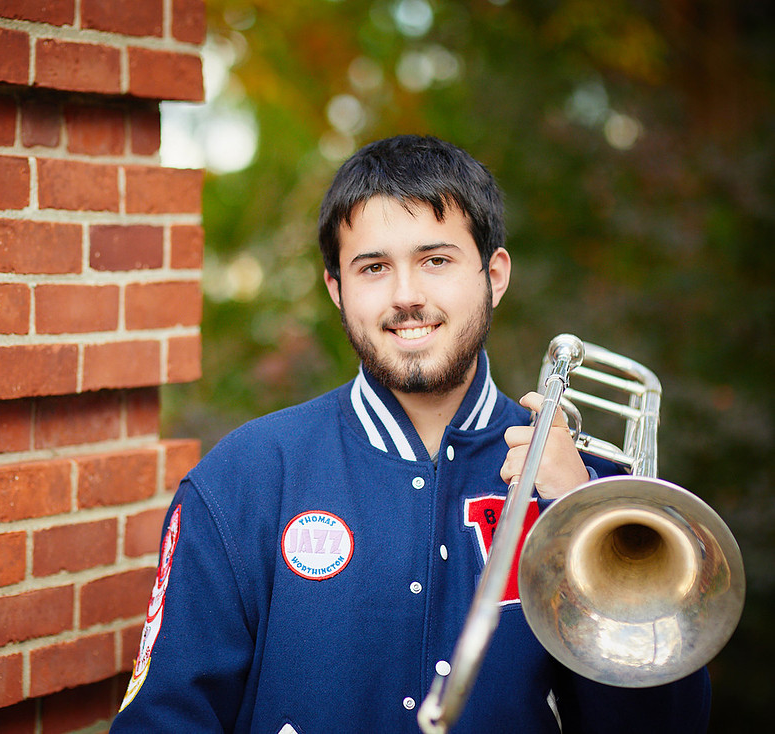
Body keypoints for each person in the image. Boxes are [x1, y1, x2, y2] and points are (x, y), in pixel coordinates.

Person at [110, 135, 711, 733]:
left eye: (436, 260)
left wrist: (582, 522)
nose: (406, 296)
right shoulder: (246, 476)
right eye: (373, 268)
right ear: (336, 289)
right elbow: (164, 721)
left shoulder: (595, 493)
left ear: (494, 275)